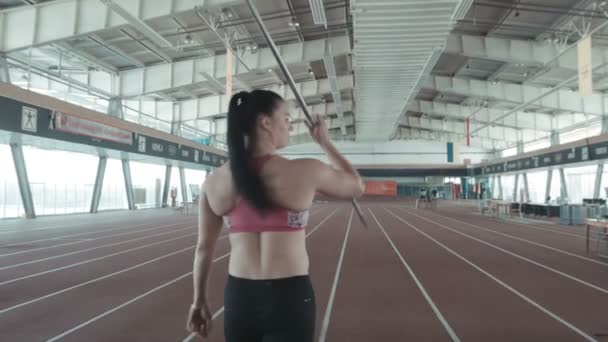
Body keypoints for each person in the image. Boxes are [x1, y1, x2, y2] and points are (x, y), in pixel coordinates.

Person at [186, 90, 364, 342]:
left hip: (239, 297)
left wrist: (198, 301)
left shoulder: (214, 182)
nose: (290, 125)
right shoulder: (305, 170)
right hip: (289, 297)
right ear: (265, 122)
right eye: (286, 118)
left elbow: (203, 249)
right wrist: (324, 141)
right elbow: (356, 186)